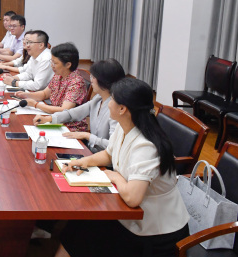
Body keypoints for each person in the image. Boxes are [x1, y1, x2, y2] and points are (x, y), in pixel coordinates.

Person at [56, 78, 189, 257]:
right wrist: (85, 161)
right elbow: (109, 154)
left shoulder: (146, 146)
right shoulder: (124, 126)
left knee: (86, 231)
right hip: (128, 213)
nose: (108, 103)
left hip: (153, 231)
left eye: (112, 99)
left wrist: (115, 176)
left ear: (122, 109)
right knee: (80, 224)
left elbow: (133, 198)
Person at [33, 58, 125, 152]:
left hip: (104, 158)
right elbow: (72, 114)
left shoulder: (116, 108)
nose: (91, 80)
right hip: (91, 151)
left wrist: (87, 136)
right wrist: (49, 119)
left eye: (94, 77)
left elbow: (113, 145)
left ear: (104, 81)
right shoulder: (98, 99)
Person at [16, 42, 88, 131]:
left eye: (55, 63)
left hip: (69, 127)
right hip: (53, 118)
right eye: (51, 61)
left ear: (68, 65)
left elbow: (64, 110)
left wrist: (35, 104)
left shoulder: (76, 83)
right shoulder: (59, 75)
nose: (52, 66)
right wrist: (27, 95)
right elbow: (45, 94)